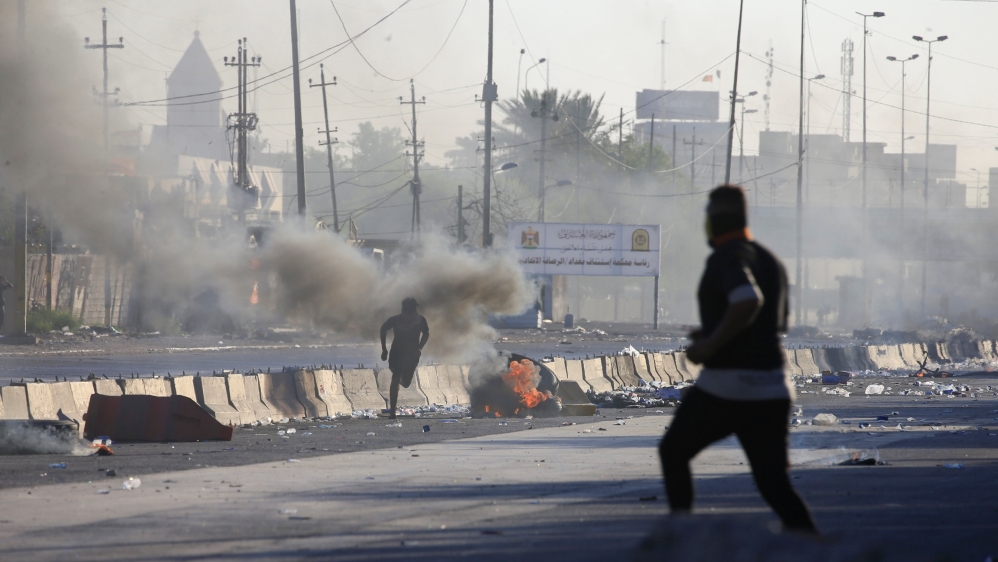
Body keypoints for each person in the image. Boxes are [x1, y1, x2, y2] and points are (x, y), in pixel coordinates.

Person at [658, 185, 818, 534]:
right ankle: (812, 544)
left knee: (673, 451)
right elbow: (769, 324)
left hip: (728, 386)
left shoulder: (727, 257)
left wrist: (710, 344)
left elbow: (747, 300)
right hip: (773, 386)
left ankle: (679, 538)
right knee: (773, 483)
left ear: (715, 220)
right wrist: (713, 331)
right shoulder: (770, 260)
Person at [380, 297, 429, 420]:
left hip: (411, 354)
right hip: (398, 352)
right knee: (395, 378)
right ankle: (392, 412)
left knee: (406, 382)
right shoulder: (396, 320)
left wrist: (420, 348)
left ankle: (398, 380)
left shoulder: (420, 320)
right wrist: (384, 349)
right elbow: (383, 329)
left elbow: (426, 333)